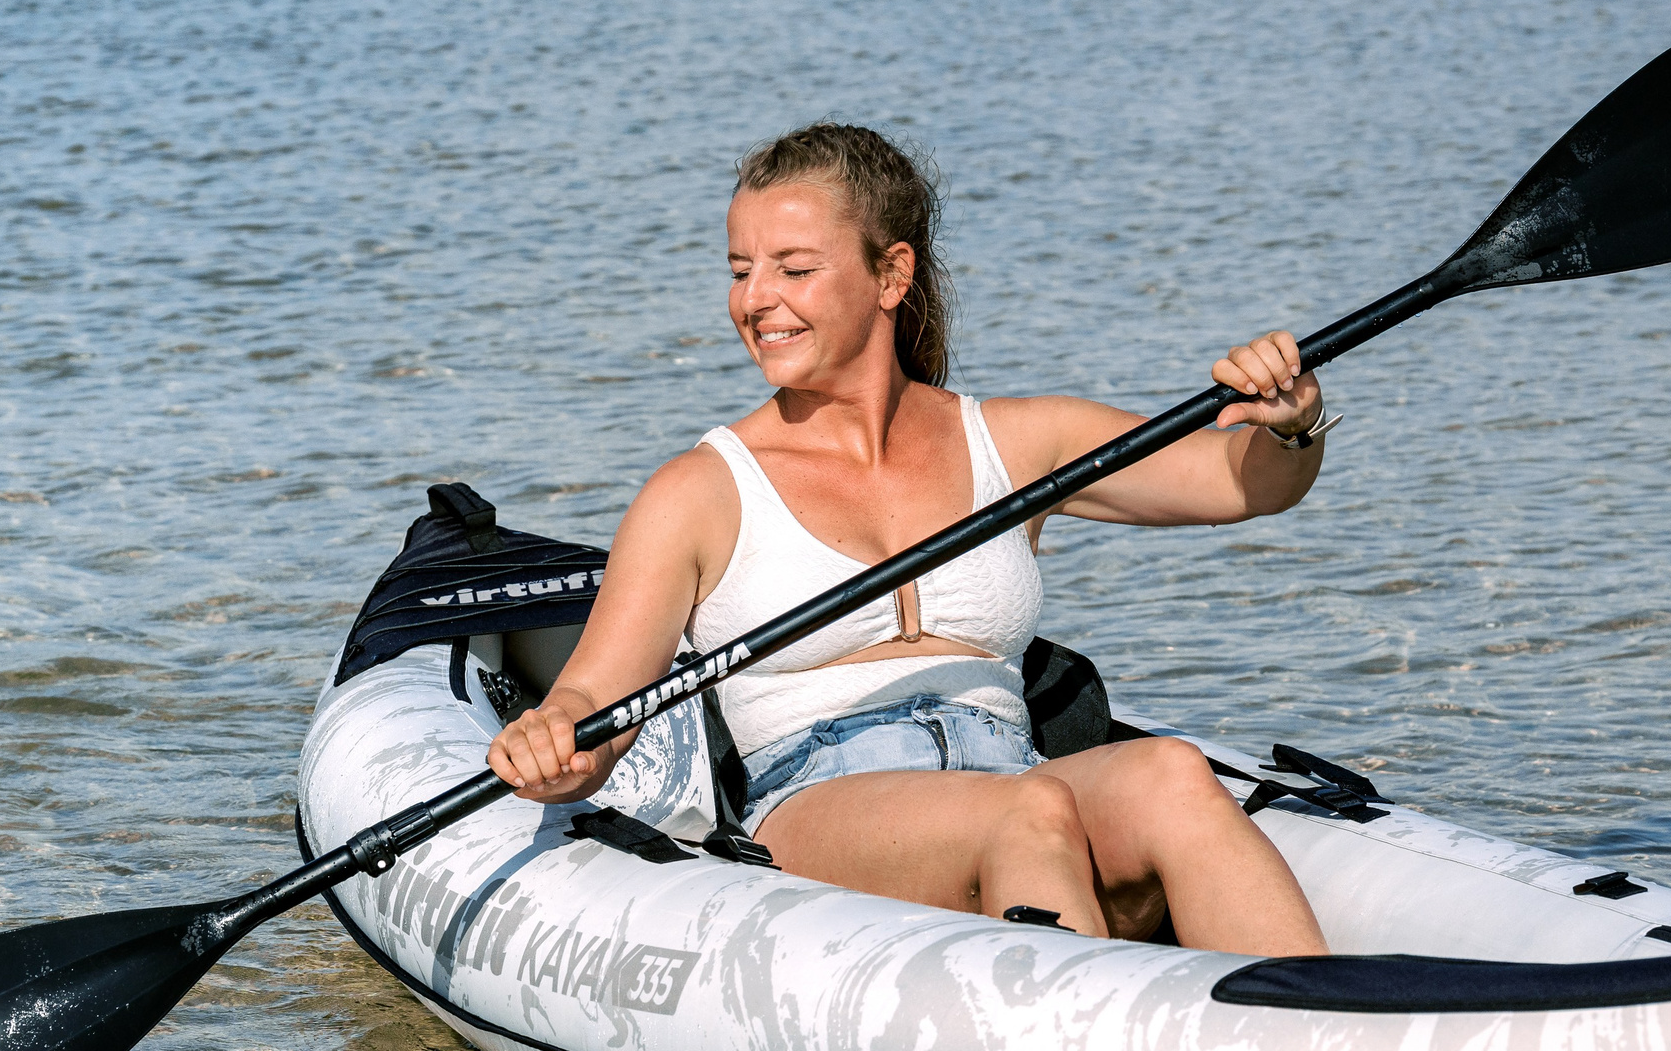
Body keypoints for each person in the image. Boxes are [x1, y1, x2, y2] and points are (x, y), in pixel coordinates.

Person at [485, 124, 1329, 956]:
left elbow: (1242, 481)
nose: (755, 299)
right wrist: (556, 742)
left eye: (795, 269)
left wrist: (1292, 422)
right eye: (741, 271)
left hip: (1013, 773)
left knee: (1170, 774)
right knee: (1026, 817)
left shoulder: (1018, 445)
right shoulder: (699, 492)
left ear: (892, 276)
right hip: (823, 801)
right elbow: (595, 706)